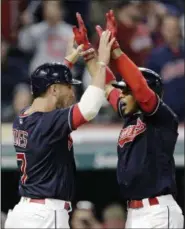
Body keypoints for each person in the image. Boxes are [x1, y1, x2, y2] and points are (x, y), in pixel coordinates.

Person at [74, 10, 184, 229]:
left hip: (158, 212)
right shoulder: (130, 113)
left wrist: (115, 50)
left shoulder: (161, 117)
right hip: (135, 213)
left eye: (127, 91)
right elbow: (107, 85)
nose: (122, 95)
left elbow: (140, 88)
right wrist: (88, 51)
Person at [4, 13, 116, 228]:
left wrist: (67, 61)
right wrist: (102, 61)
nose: (72, 93)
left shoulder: (24, 116)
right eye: (68, 87)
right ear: (54, 89)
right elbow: (90, 108)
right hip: (45, 214)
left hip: (23, 213)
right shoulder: (48, 122)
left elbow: (46, 88)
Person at [146, 14, 185, 122]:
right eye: (167, 28)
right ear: (162, 31)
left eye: (173, 28)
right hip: (166, 111)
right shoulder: (156, 56)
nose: (170, 32)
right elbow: (150, 85)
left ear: (178, 30)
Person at [18, 0, 73, 73]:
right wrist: (26, 26)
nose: (50, 10)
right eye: (47, 7)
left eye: (53, 6)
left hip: (61, 76)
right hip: (39, 74)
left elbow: (79, 55)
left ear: (61, 10)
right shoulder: (38, 29)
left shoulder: (70, 31)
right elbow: (24, 46)